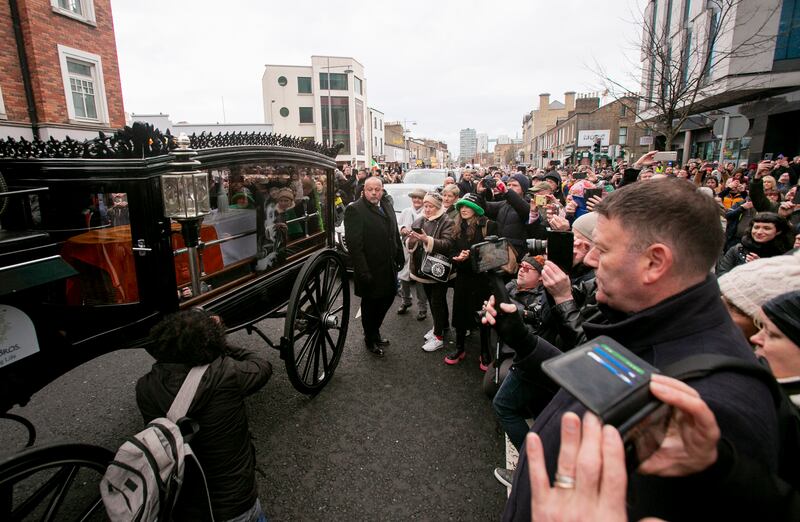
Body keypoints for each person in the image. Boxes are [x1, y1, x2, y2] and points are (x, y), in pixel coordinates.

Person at [488, 178, 779, 521]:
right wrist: (523, 339)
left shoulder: (710, 401)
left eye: (603, 249)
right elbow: (599, 385)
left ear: (655, 262)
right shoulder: (645, 324)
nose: (592, 259)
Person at [136, 310, 271, 521]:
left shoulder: (145, 387)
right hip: (236, 506)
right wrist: (221, 343)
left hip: (183, 509)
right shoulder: (227, 373)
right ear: (210, 343)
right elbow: (262, 366)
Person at [344, 177, 405, 357]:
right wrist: (363, 271)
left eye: (377, 189)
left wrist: (400, 255)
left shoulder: (386, 204)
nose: (373, 193)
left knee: (387, 298)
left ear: (382, 190)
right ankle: (370, 338)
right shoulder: (355, 209)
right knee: (371, 305)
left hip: (388, 265)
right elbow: (355, 246)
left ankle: (375, 331)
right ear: (364, 190)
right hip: (370, 268)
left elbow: (394, 232)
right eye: (370, 189)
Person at [446, 193, 496, 367]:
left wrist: (473, 256)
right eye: (461, 207)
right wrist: (457, 258)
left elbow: (494, 253)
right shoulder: (456, 227)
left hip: (482, 279)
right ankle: (460, 348)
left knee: (482, 316)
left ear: (476, 209)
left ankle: (484, 351)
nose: (464, 209)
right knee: (460, 314)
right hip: (463, 278)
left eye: (468, 206)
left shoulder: (488, 226)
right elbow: (451, 251)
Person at [407, 191, 455, 352]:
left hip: (438, 269)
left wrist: (427, 240)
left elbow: (448, 244)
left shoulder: (446, 221)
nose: (427, 209)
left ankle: (439, 336)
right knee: (433, 300)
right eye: (425, 206)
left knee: (438, 302)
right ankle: (441, 327)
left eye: (431, 206)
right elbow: (411, 242)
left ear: (438, 206)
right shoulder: (420, 219)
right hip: (423, 269)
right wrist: (411, 238)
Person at [716, 212, 794, 276]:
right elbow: (722, 275)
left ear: (778, 231)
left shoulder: (787, 254)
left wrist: (762, 267)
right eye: (756, 227)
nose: (759, 232)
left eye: (767, 228)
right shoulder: (737, 250)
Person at [397, 188, 428, 320]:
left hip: (420, 251)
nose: (416, 200)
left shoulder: (427, 213)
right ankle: (406, 301)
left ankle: (422, 308)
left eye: (419, 198)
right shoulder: (406, 211)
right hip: (406, 249)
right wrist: (402, 229)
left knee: (420, 281)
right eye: (414, 198)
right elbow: (398, 225)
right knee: (404, 278)